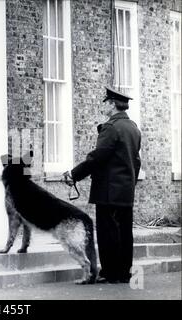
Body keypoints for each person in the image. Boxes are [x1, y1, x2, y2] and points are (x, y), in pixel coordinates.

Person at [63, 87, 141, 283]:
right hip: (125, 190)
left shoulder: (111, 128)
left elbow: (97, 158)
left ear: (113, 104)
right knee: (124, 232)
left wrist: (74, 174)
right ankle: (124, 273)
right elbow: (136, 161)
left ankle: (111, 272)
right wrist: (130, 182)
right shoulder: (133, 128)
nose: (104, 106)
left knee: (108, 233)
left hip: (108, 191)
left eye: (106, 102)